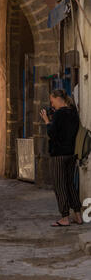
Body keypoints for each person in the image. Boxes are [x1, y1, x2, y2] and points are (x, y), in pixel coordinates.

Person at [40, 89, 82, 227]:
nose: (52, 105)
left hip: (59, 155)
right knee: (70, 184)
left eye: (52, 101)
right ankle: (78, 215)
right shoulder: (73, 113)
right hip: (71, 153)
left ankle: (64, 217)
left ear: (59, 99)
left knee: (60, 185)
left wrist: (47, 121)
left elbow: (52, 133)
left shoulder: (58, 114)